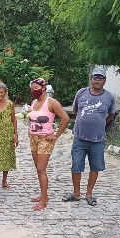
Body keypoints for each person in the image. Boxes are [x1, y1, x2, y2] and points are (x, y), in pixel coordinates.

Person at [63, 66, 116, 206]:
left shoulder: (109, 97)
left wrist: (101, 123)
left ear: (104, 80)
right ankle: (76, 193)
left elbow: (111, 114)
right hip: (79, 137)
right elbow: (75, 110)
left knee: (95, 167)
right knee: (76, 166)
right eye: (95, 77)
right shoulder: (81, 93)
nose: (97, 80)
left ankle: (89, 194)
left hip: (98, 139)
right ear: (91, 79)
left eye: (100, 78)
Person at [27, 78, 70, 211]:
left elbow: (65, 118)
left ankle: (44, 200)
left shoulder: (51, 102)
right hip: (33, 138)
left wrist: (56, 135)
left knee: (41, 168)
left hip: (45, 139)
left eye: (36, 88)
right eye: (32, 88)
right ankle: (43, 194)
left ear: (43, 88)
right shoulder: (34, 102)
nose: (33, 91)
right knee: (38, 168)